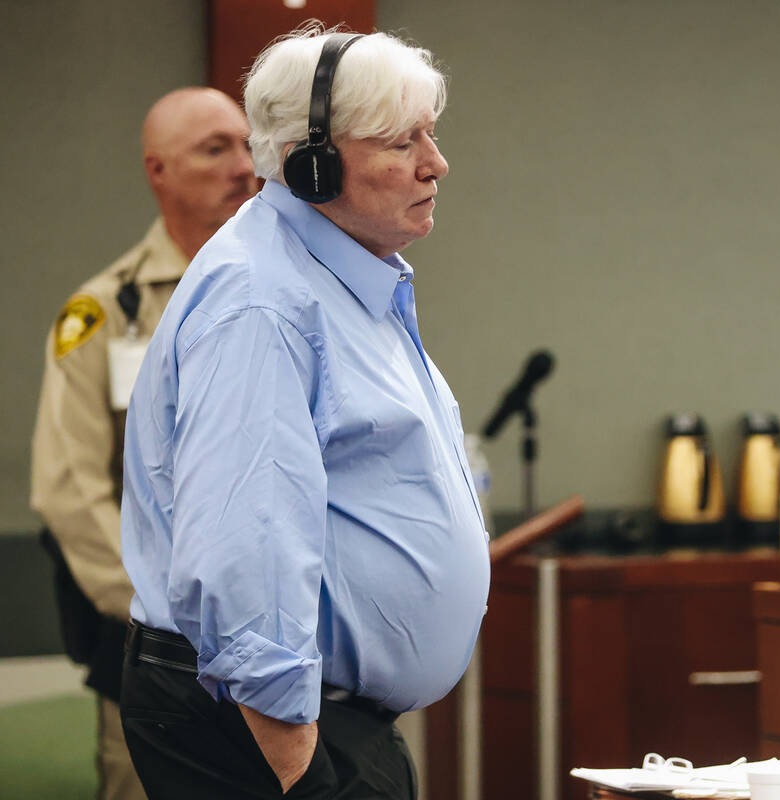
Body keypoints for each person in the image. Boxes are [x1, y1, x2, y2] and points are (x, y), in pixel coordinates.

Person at [118, 27, 491, 800]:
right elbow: (243, 557)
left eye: (432, 133)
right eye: (400, 141)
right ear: (309, 163)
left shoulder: (340, 279)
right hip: (267, 734)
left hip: (318, 724)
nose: (435, 163)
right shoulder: (264, 302)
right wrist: (300, 772)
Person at [30, 87, 255, 800]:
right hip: (157, 645)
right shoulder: (101, 313)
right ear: (158, 171)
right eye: (215, 149)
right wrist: (163, 617)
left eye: (249, 145)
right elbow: (69, 488)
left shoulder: (295, 294)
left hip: (282, 639)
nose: (244, 166)